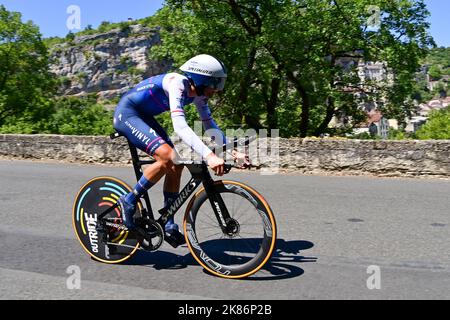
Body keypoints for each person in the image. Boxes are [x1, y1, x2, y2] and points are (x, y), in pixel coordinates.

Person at [113, 54, 249, 247]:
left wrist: (230, 149)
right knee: (168, 157)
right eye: (215, 84)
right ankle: (129, 200)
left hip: (144, 116)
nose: (217, 90)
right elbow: (181, 127)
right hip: (127, 114)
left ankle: (168, 223)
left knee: (177, 165)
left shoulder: (200, 95)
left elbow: (208, 123)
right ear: (203, 79)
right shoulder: (177, 83)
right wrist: (209, 156)